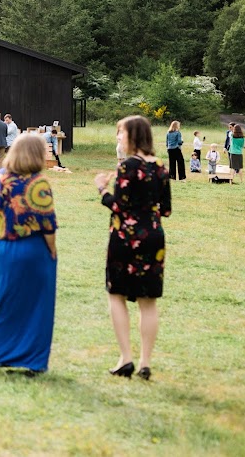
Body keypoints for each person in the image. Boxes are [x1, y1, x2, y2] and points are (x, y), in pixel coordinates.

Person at [94, 115, 171, 380]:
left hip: (124, 238)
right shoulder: (161, 166)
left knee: (117, 294)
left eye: (120, 133)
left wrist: (102, 189)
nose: (118, 137)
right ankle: (145, 363)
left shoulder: (127, 166)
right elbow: (167, 209)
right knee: (148, 301)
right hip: (153, 237)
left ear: (133, 136)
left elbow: (119, 206)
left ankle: (125, 358)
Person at [0, 134, 58, 376]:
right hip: (32, 248)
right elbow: (47, 223)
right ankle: (32, 362)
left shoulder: (2, 177)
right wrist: (52, 250)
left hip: (2, 248)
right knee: (35, 306)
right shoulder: (38, 182)